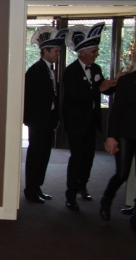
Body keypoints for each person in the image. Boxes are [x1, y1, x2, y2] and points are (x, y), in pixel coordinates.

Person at [62, 23, 117, 211]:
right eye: (94, 51)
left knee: (89, 157)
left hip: (91, 122)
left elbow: (104, 90)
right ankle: (70, 194)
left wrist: (117, 83)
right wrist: (98, 89)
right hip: (76, 123)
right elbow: (75, 96)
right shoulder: (71, 71)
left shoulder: (96, 69)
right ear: (83, 52)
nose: (97, 54)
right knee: (77, 158)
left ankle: (82, 185)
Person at [23, 27, 64, 203]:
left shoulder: (49, 70)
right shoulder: (35, 71)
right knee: (36, 155)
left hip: (48, 121)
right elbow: (30, 98)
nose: (58, 54)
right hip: (38, 122)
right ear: (45, 51)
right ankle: (30, 189)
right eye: (56, 51)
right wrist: (31, 120)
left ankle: (38, 186)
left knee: (44, 155)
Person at [100, 64, 136, 222]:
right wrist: (111, 136)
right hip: (125, 133)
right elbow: (116, 110)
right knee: (122, 173)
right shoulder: (127, 81)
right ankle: (106, 200)